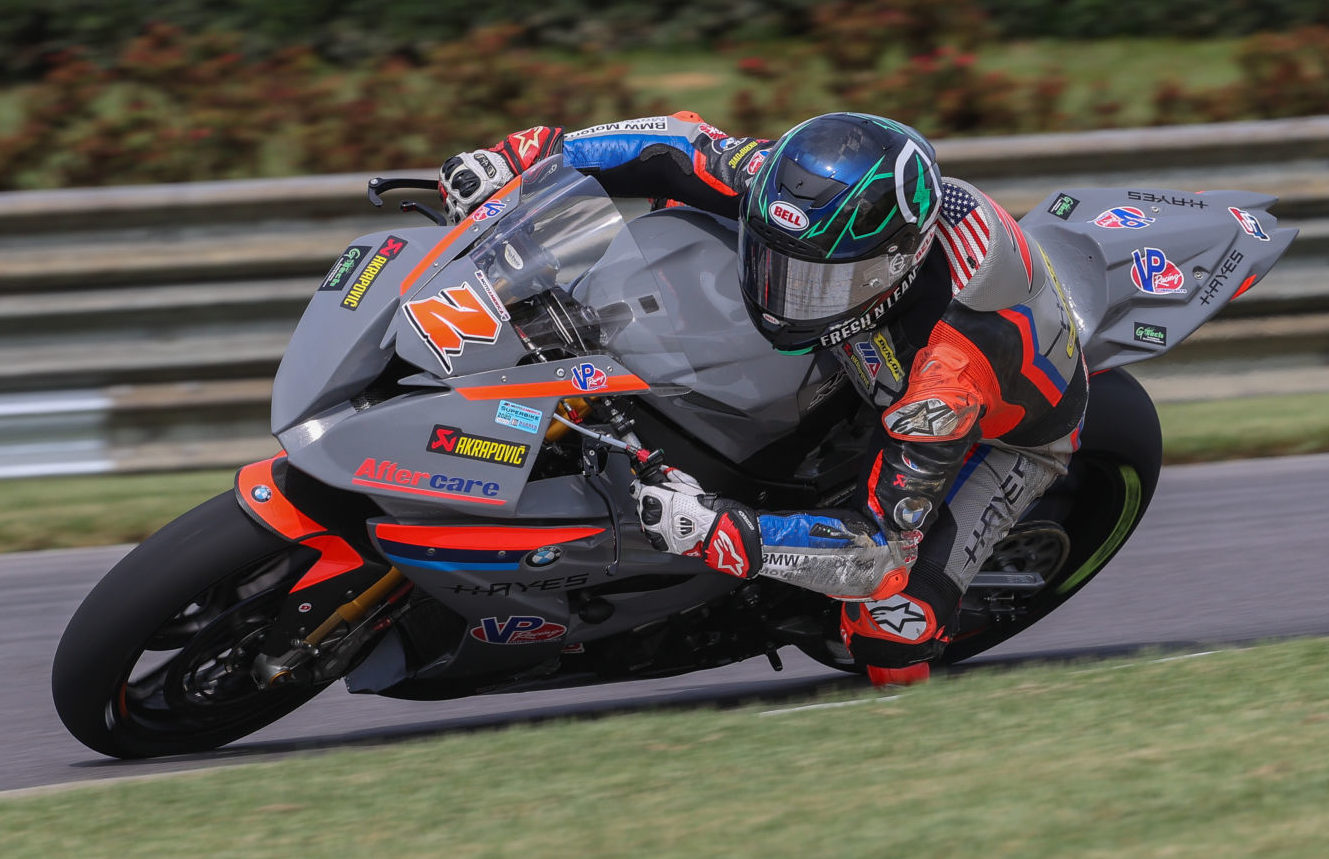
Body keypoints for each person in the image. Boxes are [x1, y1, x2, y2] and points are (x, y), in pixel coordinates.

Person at [438, 112, 1086, 685]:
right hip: (866, 354)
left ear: (893, 268)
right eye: (777, 263)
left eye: (813, 283)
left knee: (890, 637)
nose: (782, 293)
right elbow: (674, 141)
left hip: (1003, 434)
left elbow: (877, 553)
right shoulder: (795, 184)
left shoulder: (946, 373)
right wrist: (524, 155)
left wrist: (725, 531)